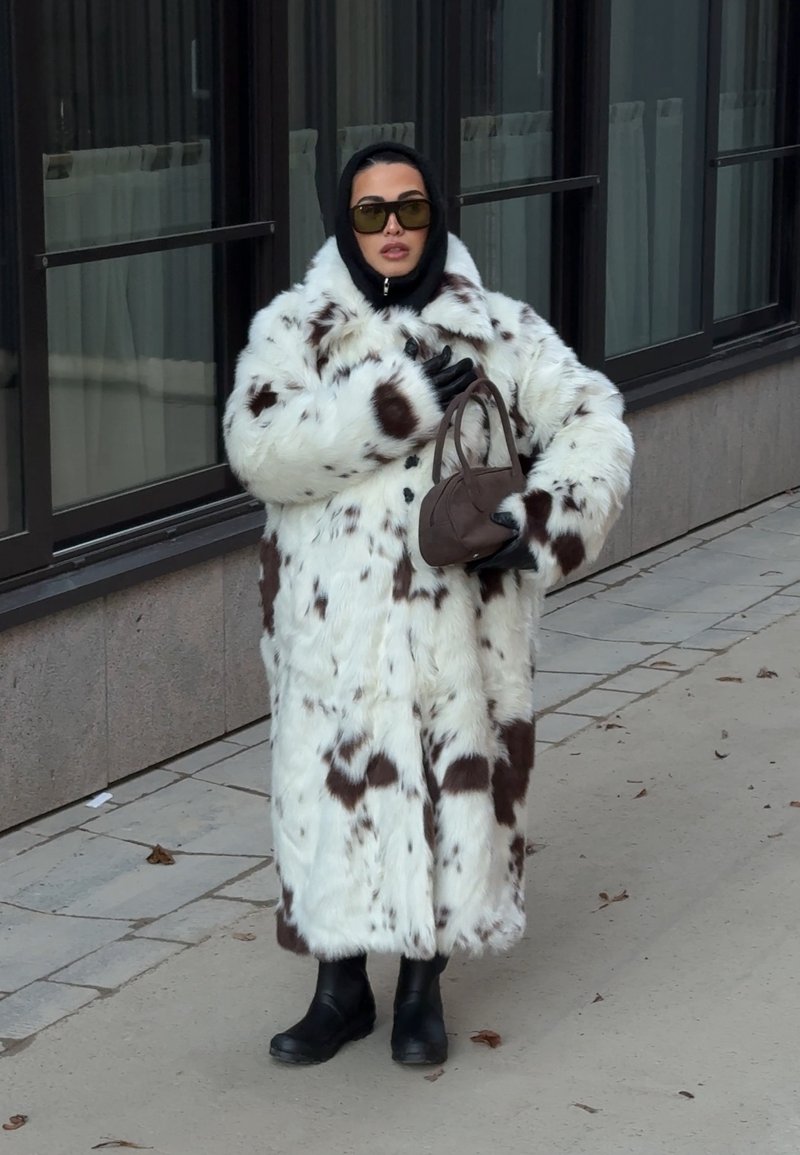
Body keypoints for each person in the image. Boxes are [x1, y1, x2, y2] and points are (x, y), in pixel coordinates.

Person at [223, 140, 634, 1067]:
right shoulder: (298, 328)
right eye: (372, 213)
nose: (395, 230)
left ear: (435, 214)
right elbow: (258, 447)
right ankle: (338, 992)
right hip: (333, 630)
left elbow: (592, 415)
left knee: (452, 792)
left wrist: (547, 517)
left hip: (463, 618)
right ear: (345, 222)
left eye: (410, 209)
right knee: (336, 792)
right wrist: (390, 407)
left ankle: (421, 989)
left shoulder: (495, 328)